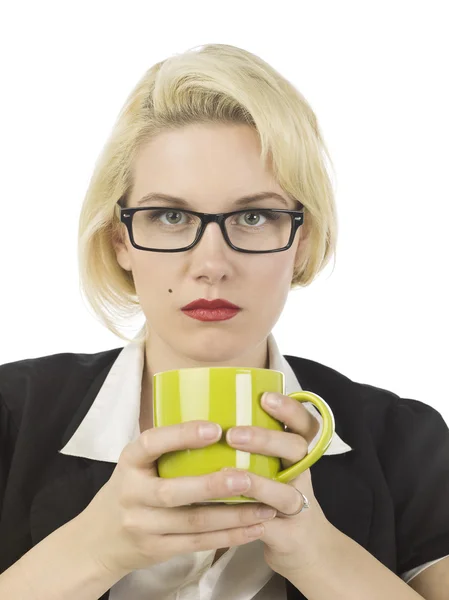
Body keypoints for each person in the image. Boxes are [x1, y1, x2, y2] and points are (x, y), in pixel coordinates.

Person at [0, 43, 448, 600]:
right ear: (121, 241)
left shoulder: (406, 439)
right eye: (169, 216)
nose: (211, 265)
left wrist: (319, 554)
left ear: (301, 241)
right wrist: (94, 549)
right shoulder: (9, 415)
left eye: (254, 216)